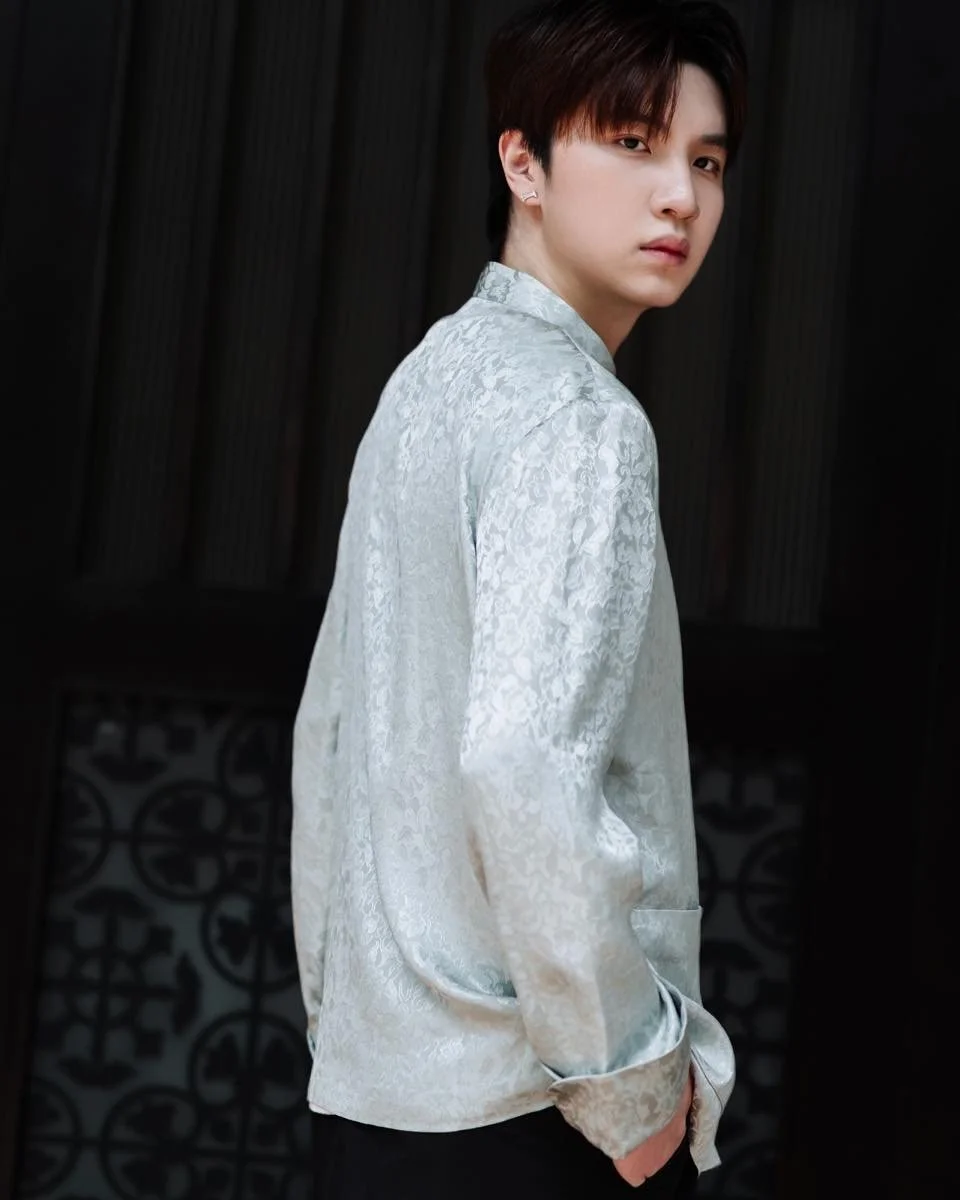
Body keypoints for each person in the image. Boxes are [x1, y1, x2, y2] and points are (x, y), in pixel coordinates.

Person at [291, 1, 747, 1195]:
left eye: (706, 161)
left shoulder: (427, 381)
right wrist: (634, 1088)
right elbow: (523, 763)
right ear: (523, 162)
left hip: (377, 1112)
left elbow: (328, 740)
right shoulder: (580, 419)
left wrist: (345, 1025)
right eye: (634, 143)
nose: (679, 198)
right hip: (534, 1117)